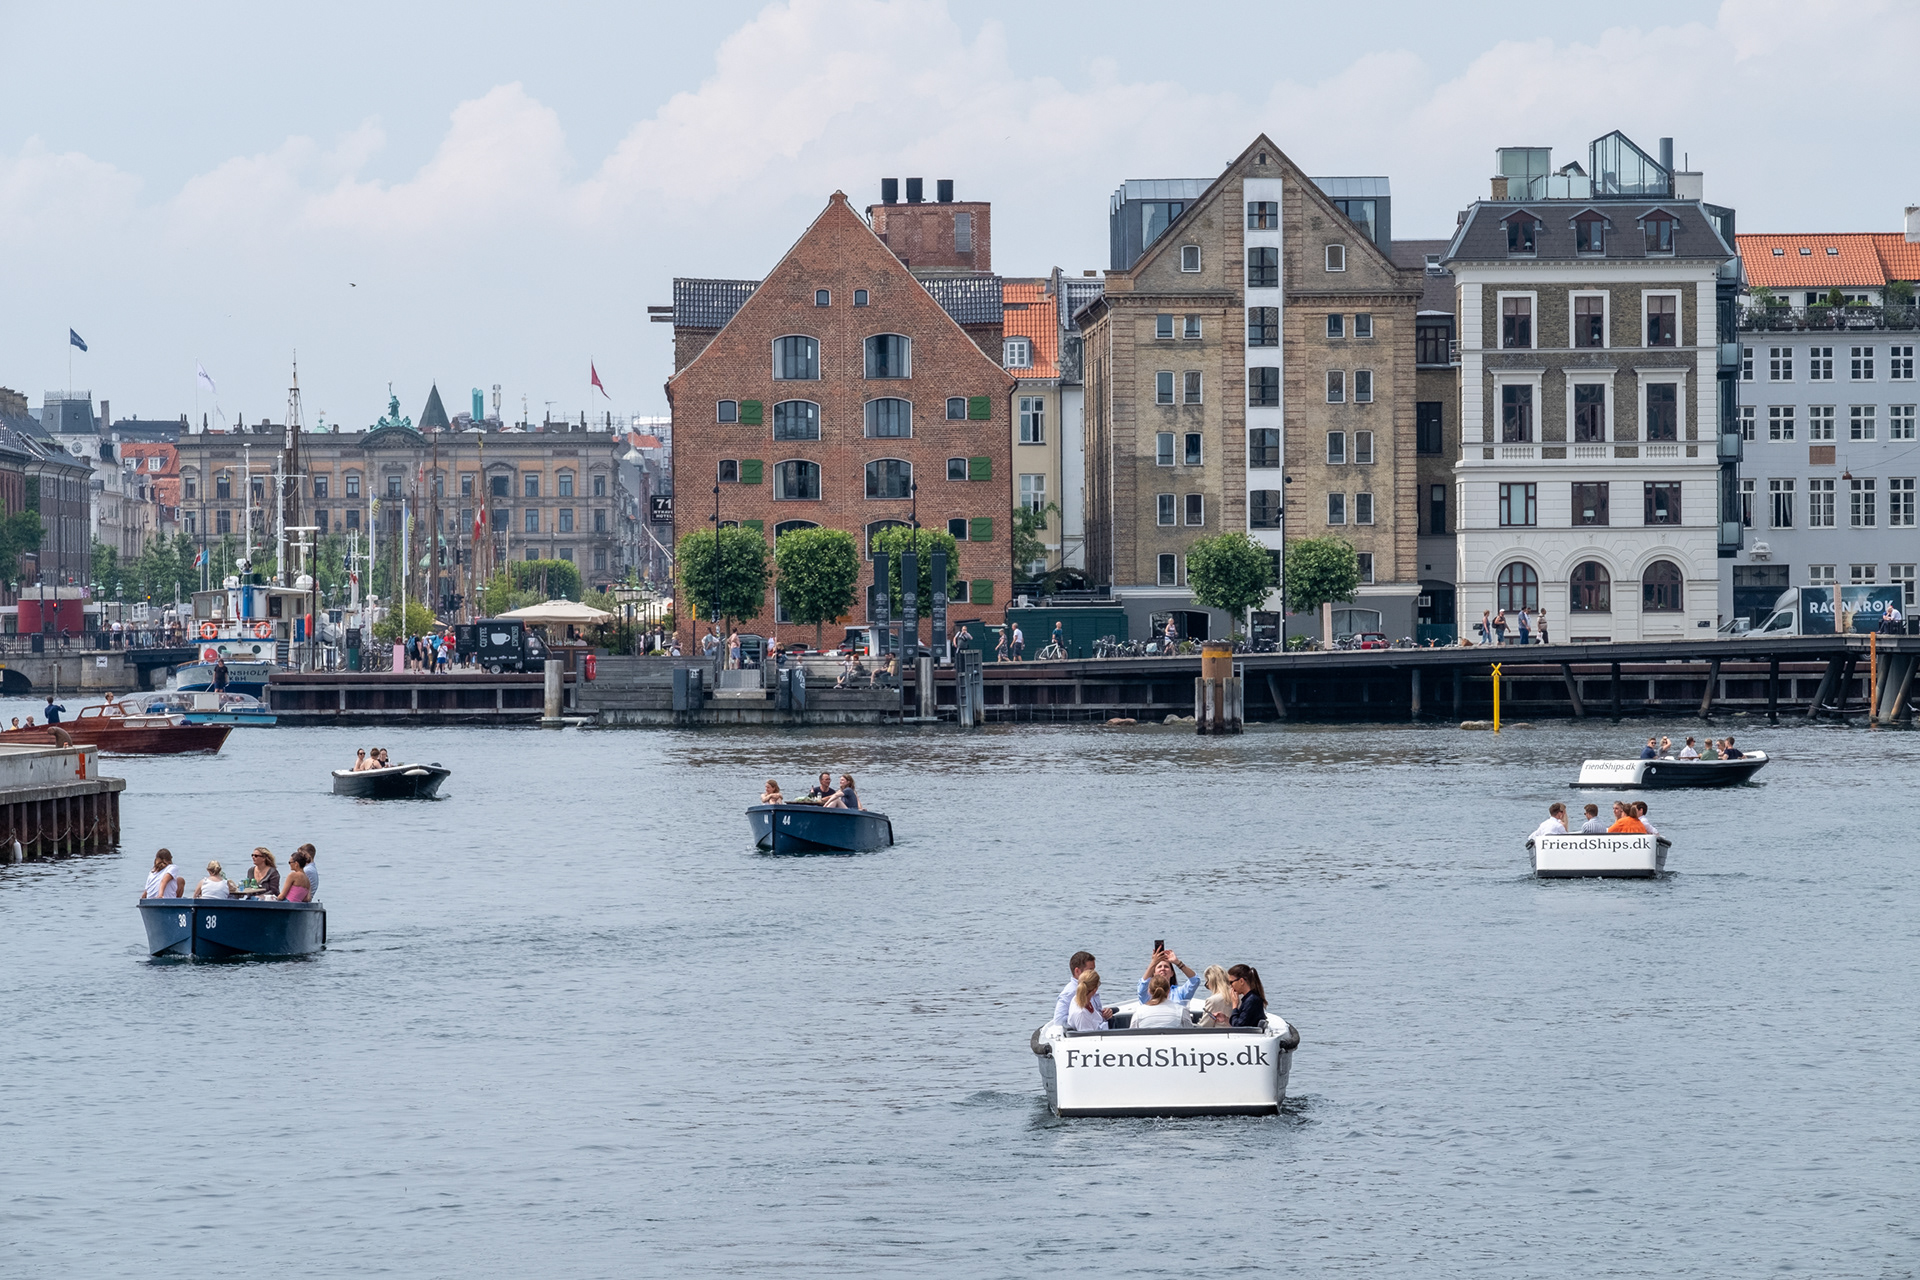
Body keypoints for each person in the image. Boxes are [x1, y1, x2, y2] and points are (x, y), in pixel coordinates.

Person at [1136, 947, 1203, 1005]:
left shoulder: (1179, 993)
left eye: (1166, 966)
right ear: (1154, 973)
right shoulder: (1148, 994)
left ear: (1172, 973)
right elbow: (1142, 986)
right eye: (1159, 967)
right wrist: (1153, 963)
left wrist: (1177, 962)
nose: (1163, 969)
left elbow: (1195, 981)